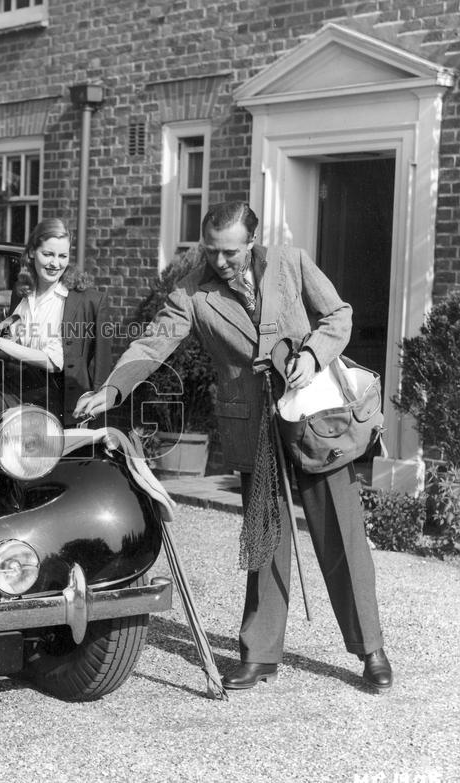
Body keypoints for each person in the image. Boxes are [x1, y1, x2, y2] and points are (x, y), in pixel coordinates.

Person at [74, 201, 393, 693]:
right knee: (264, 542)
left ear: (251, 241)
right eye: (211, 252)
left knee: (343, 538)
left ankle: (371, 650)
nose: (220, 263)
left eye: (229, 253)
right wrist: (114, 389)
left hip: (313, 422)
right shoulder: (190, 290)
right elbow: (155, 342)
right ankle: (260, 656)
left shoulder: (291, 263)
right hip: (252, 428)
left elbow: (338, 315)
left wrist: (311, 355)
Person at [0, 217, 112, 426]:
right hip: (15, 399)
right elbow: (13, 345)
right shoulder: (21, 294)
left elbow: (59, 362)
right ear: (31, 253)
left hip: (63, 408)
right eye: (48, 254)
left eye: (62, 256)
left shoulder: (90, 301)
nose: (56, 263)